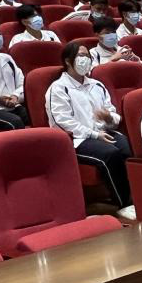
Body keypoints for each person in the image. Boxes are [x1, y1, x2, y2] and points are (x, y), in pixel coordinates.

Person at [46, 42, 135, 218]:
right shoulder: (58, 88)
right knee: (110, 154)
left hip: (103, 132)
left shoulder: (97, 85)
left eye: (87, 56)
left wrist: (109, 118)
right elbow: (61, 121)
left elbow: (112, 113)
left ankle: (138, 197)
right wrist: (94, 134)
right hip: (77, 140)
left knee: (127, 147)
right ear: (68, 61)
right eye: (80, 55)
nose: (85, 59)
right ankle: (124, 203)